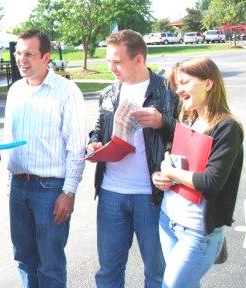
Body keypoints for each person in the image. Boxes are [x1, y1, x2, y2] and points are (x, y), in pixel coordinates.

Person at [87, 29, 179, 287]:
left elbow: (189, 132)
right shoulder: (109, 93)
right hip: (110, 193)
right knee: (108, 270)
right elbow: (98, 127)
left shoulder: (167, 90)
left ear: (139, 59)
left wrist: (163, 122)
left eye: (118, 61)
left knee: (157, 271)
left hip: (153, 194)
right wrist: (94, 142)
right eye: (108, 61)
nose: (111, 67)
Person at [4, 29, 87, 288]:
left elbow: (76, 147)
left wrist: (69, 192)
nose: (22, 59)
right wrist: (10, 185)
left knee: (50, 263)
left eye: (29, 53)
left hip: (50, 190)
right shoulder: (15, 91)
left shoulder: (66, 91)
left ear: (46, 57)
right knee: (24, 258)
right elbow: (9, 141)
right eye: (18, 53)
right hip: (19, 187)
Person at [152, 57, 244, 287]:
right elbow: (176, 165)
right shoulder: (189, 121)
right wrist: (163, 177)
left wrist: (171, 172)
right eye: (177, 85)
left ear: (208, 84)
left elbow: (212, 181)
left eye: (184, 83)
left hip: (196, 233)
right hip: (168, 220)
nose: (178, 90)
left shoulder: (227, 127)